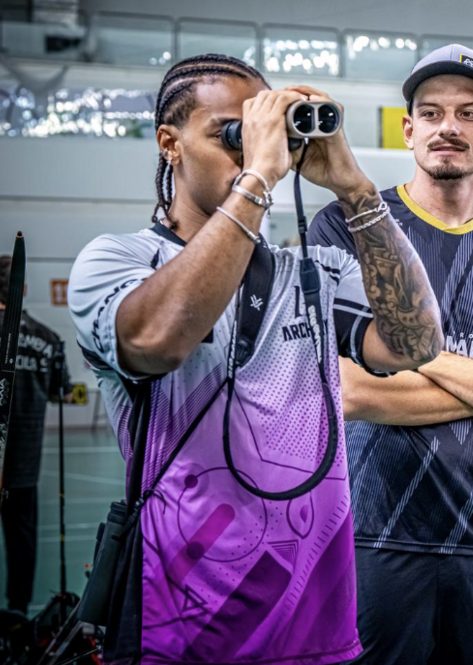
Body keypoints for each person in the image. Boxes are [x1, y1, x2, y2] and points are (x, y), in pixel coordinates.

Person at [67, 54, 442, 664]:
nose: (250, 151)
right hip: (182, 619)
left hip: (316, 617)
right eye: (229, 135)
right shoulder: (118, 261)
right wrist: (259, 178)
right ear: (170, 143)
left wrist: (354, 187)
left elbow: (416, 343)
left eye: (264, 134)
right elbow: (156, 340)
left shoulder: (314, 273)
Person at [307, 44, 473, 665]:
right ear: (408, 131)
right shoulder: (345, 227)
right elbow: (349, 391)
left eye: (468, 113)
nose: (448, 128)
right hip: (374, 538)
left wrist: (414, 355)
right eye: (430, 114)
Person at [0, 255, 71, 616]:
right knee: (22, 540)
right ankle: (18, 616)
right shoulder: (49, 338)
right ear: (24, 290)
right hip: (24, 464)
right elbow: (62, 392)